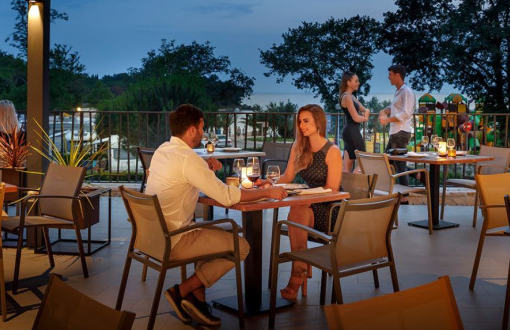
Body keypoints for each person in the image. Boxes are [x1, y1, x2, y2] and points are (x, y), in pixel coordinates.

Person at [146, 104, 286, 327]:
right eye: (202, 127)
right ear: (192, 130)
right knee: (241, 246)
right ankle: (182, 291)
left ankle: (197, 301)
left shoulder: (163, 150)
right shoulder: (188, 159)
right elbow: (227, 197)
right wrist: (267, 191)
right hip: (175, 240)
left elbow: (182, 173)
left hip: (151, 238)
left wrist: (203, 166)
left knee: (210, 234)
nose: (203, 132)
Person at [274, 104, 342, 301]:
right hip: (307, 205)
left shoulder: (332, 151)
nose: (301, 126)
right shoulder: (299, 146)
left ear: (318, 122)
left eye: (306, 121)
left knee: (298, 208)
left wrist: (307, 198)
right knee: (298, 209)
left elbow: (333, 190)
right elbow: (287, 176)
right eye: (300, 121)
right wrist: (268, 184)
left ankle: (298, 272)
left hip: (329, 209)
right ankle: (301, 269)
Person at [378, 64, 415, 185]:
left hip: (401, 133)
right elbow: (393, 108)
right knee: (389, 163)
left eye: (390, 75)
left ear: (397, 75)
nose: (388, 77)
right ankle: (417, 174)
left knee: (399, 166)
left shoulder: (407, 92)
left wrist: (387, 120)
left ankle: (405, 198)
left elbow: (405, 113)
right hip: (395, 133)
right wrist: (384, 111)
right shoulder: (398, 91)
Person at [339, 71, 370, 173]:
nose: (358, 83)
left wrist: (367, 112)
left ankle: (345, 187)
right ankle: (352, 184)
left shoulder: (351, 96)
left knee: (347, 164)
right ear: (348, 82)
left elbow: (364, 109)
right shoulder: (347, 97)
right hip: (352, 132)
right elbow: (356, 118)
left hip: (350, 131)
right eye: (356, 81)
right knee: (364, 160)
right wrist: (365, 118)